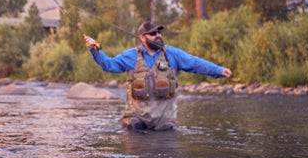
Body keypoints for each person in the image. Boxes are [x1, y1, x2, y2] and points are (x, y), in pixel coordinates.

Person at [83, 21, 232, 131]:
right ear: (143, 38)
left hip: (163, 124)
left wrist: (218, 70)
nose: (158, 36)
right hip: (136, 122)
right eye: (153, 34)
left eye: (159, 33)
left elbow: (195, 63)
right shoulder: (131, 56)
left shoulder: (172, 54)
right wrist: (95, 50)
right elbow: (109, 65)